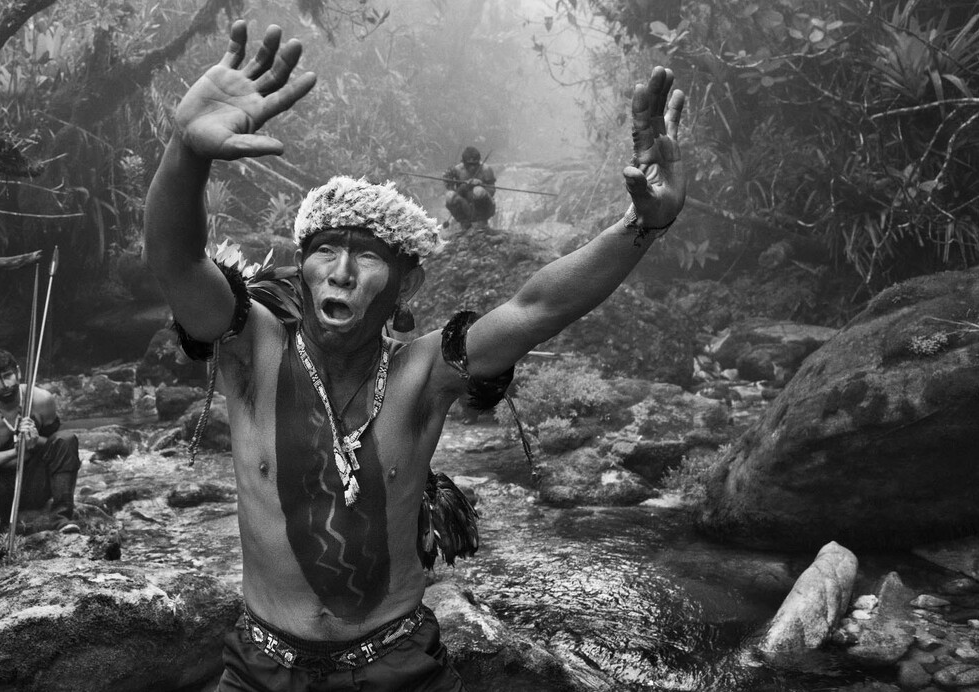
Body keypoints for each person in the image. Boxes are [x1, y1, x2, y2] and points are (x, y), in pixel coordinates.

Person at [144, 20, 685, 691]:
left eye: (367, 255)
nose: (340, 272)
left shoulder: (425, 373)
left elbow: (536, 308)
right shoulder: (249, 347)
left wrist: (645, 224)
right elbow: (175, 260)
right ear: (301, 265)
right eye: (323, 250)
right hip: (261, 669)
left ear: (409, 284)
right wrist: (185, 151)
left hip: (394, 667)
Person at [0, 348, 80, 562]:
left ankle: (61, 518)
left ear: (18, 372)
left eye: (8, 376)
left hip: (37, 485)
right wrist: (15, 451)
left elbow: (55, 446)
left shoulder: (41, 399)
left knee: (67, 439)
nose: (5, 386)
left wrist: (34, 442)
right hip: (0, 491)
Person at [442, 146, 497, 230]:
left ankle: (482, 223)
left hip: (484, 208)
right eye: (470, 164)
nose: (473, 167)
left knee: (478, 191)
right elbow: (452, 191)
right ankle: (464, 223)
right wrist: (463, 187)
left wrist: (481, 184)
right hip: (465, 205)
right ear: (463, 162)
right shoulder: (457, 170)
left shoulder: (486, 169)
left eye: (475, 164)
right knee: (449, 196)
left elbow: (492, 191)